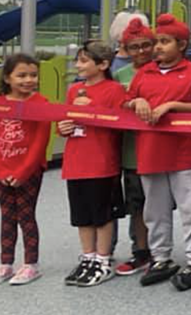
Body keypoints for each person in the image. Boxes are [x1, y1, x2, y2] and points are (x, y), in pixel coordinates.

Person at [126, 13, 191, 290]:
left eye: (165, 41)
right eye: (158, 42)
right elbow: (127, 101)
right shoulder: (144, 73)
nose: (158, 47)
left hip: (184, 152)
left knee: (190, 209)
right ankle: (161, 257)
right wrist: (137, 101)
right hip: (150, 151)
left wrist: (173, 106)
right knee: (155, 210)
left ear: (182, 44)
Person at [57, 41, 127, 287]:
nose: (78, 65)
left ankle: (103, 258)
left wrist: (93, 109)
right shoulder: (73, 90)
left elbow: (119, 123)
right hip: (76, 161)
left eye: (84, 61)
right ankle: (87, 256)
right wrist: (63, 127)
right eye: (78, 60)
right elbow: (65, 120)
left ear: (103, 64)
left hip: (102, 162)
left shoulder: (114, 90)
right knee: (81, 215)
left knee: (102, 214)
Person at [0, 54, 51, 286]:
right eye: (21, 75)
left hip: (28, 171)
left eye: (33, 75)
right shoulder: (2, 104)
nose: (28, 80)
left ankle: (31, 264)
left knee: (26, 215)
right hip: (3, 171)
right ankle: (6, 262)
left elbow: (40, 143)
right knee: (7, 216)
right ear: (7, 78)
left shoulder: (41, 104)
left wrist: (22, 172)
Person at [113, 17, 155, 276]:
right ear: (125, 50)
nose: (141, 51)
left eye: (145, 45)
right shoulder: (119, 75)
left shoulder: (163, 71)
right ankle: (140, 250)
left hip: (160, 149)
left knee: (159, 205)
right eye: (134, 47)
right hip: (131, 150)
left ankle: (160, 249)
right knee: (137, 204)